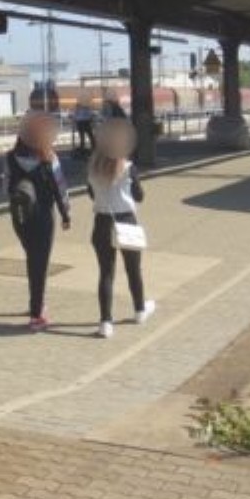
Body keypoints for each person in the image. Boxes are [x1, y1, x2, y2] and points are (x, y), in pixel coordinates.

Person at [87, 119, 155, 339]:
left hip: (102, 222)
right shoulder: (128, 168)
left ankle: (105, 323)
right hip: (126, 220)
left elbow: (91, 194)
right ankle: (139, 310)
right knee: (133, 269)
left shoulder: (93, 169)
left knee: (106, 273)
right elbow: (139, 196)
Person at [6, 112, 71, 332]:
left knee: (31, 259)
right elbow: (60, 189)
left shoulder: (10, 157)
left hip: (20, 217)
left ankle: (36, 302)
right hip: (43, 217)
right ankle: (37, 314)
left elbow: (7, 187)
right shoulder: (49, 158)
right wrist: (65, 214)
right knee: (39, 264)